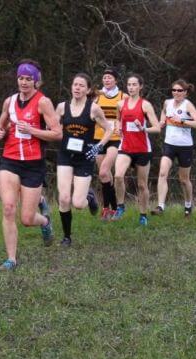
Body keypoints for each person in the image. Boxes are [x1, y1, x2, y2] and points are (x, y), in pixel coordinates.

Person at [0, 59, 60, 271]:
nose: (24, 82)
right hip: (10, 160)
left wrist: (33, 131)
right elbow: (0, 125)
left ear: (36, 81)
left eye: (29, 79)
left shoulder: (43, 102)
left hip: (33, 164)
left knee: (27, 219)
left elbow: (57, 133)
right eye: (21, 78)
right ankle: (11, 259)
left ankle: (45, 222)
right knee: (9, 207)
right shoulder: (9, 101)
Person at [56, 73, 116, 245]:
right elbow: (53, 126)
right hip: (65, 155)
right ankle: (67, 237)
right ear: (71, 87)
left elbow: (109, 129)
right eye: (75, 84)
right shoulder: (61, 107)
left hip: (85, 157)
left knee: (78, 204)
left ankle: (89, 197)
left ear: (88, 89)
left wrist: (99, 146)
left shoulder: (93, 109)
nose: (78, 88)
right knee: (64, 198)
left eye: (82, 85)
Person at [111, 73, 161, 226]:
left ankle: (143, 215)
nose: (131, 87)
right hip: (125, 147)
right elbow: (118, 120)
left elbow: (157, 128)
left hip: (142, 149)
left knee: (142, 185)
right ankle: (120, 207)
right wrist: (118, 128)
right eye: (129, 85)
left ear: (140, 87)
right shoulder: (120, 104)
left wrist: (143, 128)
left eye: (134, 85)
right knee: (118, 176)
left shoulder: (145, 105)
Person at [155, 79, 196, 217]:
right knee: (163, 173)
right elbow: (164, 112)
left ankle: (188, 205)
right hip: (169, 144)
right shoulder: (167, 102)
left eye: (180, 91)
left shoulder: (188, 105)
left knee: (184, 180)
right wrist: (162, 121)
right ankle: (160, 206)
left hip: (185, 146)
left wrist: (182, 120)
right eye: (174, 90)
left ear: (185, 93)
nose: (176, 93)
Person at [93, 69, 125, 219]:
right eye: (104, 77)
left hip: (114, 138)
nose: (106, 80)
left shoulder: (122, 96)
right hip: (97, 138)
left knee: (104, 171)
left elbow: (128, 115)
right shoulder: (97, 96)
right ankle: (111, 208)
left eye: (110, 78)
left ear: (116, 81)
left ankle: (109, 208)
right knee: (105, 176)